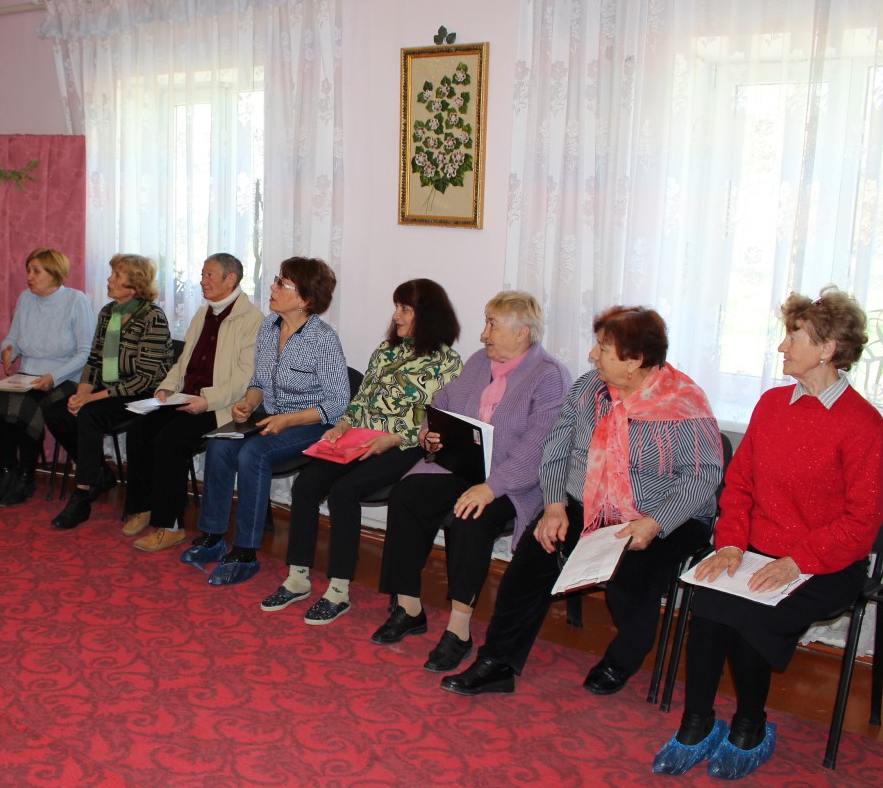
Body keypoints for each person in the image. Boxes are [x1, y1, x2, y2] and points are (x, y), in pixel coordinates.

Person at [653, 287, 883, 780]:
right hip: (755, 550)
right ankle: (696, 724)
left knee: (749, 614)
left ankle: (750, 727)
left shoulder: (864, 424)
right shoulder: (772, 404)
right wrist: (731, 544)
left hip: (827, 564)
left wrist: (797, 561)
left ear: (827, 349)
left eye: (793, 337)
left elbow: (861, 522)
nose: (782, 347)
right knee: (709, 600)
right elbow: (739, 486)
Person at [444, 306, 723, 697]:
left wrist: (653, 523)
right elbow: (557, 447)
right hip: (586, 503)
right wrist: (554, 506)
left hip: (664, 514)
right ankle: (497, 662)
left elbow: (702, 476)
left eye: (604, 348)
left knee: (633, 579)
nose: (593, 355)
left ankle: (623, 658)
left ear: (634, 360)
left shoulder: (683, 403)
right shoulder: (588, 388)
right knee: (531, 560)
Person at [372, 291, 571, 672]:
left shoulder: (549, 377)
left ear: (522, 333)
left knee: (470, 516)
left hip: (515, 482)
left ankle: (459, 630)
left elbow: (538, 450)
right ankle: (409, 608)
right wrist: (429, 433)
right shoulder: (481, 361)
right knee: (407, 494)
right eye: (486, 323)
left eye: (492, 325)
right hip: (464, 468)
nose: (483, 334)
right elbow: (442, 403)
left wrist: (491, 487)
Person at [262, 279, 463, 625]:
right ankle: (297, 578)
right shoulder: (386, 351)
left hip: (405, 446)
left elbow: (440, 422)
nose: (396, 315)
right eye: (396, 307)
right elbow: (361, 400)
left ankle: (338, 590)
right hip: (359, 437)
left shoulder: (448, 363)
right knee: (307, 484)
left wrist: (394, 439)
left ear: (427, 314)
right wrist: (342, 425)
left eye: (404, 308)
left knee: (344, 492)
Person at [179, 257, 351, 586]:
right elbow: (258, 382)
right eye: (276, 279)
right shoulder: (270, 327)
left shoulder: (323, 339)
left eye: (281, 283)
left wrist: (288, 420)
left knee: (253, 454)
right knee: (219, 443)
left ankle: (245, 552)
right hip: (268, 416)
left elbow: (337, 402)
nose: (272, 287)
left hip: (311, 425)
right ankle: (213, 537)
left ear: (305, 299)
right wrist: (248, 403)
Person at [125, 253, 263, 551]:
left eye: (209, 274)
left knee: (169, 440)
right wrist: (166, 389)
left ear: (231, 279)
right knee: (139, 429)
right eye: (202, 274)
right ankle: (143, 507)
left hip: (221, 407)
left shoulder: (252, 320)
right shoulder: (203, 313)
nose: (202, 281)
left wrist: (207, 400)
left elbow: (245, 377)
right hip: (185, 398)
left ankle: (170, 526)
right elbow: (183, 362)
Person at [45, 253, 173, 530]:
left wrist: (90, 399)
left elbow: (144, 380)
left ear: (134, 284)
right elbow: (94, 361)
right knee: (56, 411)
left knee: (89, 414)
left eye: (116, 275)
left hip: (143, 396)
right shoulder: (108, 313)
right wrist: (80, 394)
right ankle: (99, 473)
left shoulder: (152, 317)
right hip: (108, 391)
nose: (109, 279)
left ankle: (82, 495)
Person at [0, 248, 94, 507]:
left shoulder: (76, 300)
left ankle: (26, 477)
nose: (29, 277)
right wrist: (8, 351)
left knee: (28, 408)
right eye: (29, 271)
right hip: (27, 375)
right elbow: (13, 338)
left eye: (36, 271)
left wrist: (53, 377)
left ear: (54, 273)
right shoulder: (26, 298)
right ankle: (7, 473)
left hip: (64, 377)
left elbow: (86, 352)